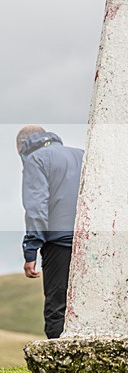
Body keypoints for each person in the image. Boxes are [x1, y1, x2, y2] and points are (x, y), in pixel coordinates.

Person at [17, 125, 84, 338]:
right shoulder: (82, 155)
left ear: (22, 146)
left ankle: (60, 366)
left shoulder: (35, 159)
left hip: (59, 244)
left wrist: (31, 251)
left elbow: (37, 207)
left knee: (57, 308)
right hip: (90, 241)